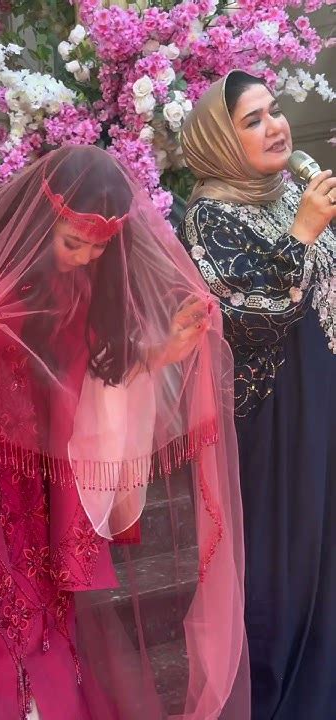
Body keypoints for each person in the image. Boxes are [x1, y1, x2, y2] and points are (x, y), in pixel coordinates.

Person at [0, 145, 249, 720]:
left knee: (40, 616)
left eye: (98, 248)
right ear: (39, 216)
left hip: (36, 479)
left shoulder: (73, 280)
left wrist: (160, 354)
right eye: (72, 242)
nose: (83, 258)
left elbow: (81, 373)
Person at [179, 70, 336, 720]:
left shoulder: (290, 192)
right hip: (275, 416)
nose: (275, 127)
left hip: (322, 394)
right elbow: (250, 317)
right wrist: (302, 233)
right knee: (287, 563)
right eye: (252, 120)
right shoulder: (207, 218)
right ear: (220, 139)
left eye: (274, 111)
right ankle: (280, 702)